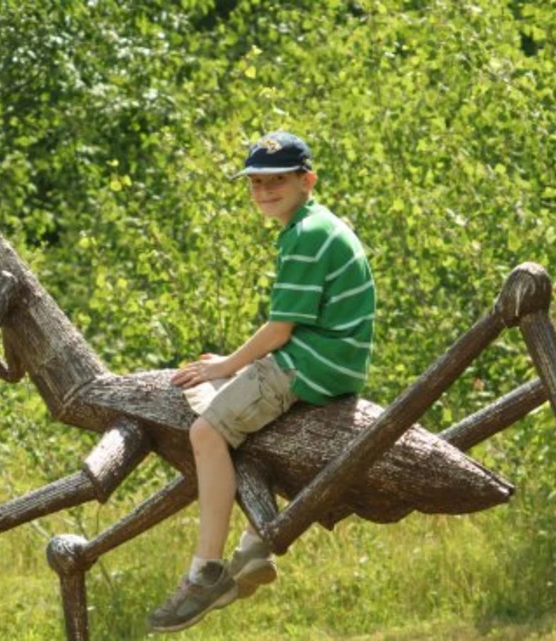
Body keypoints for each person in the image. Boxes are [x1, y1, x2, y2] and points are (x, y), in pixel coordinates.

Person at [147, 132, 376, 633]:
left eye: (276, 181)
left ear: (306, 180)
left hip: (312, 363)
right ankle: (255, 545)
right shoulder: (317, 224)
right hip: (335, 360)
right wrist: (232, 369)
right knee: (233, 414)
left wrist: (225, 365)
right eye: (255, 183)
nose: (264, 192)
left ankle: (206, 571)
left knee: (206, 432)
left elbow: (279, 331)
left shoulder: (306, 236)